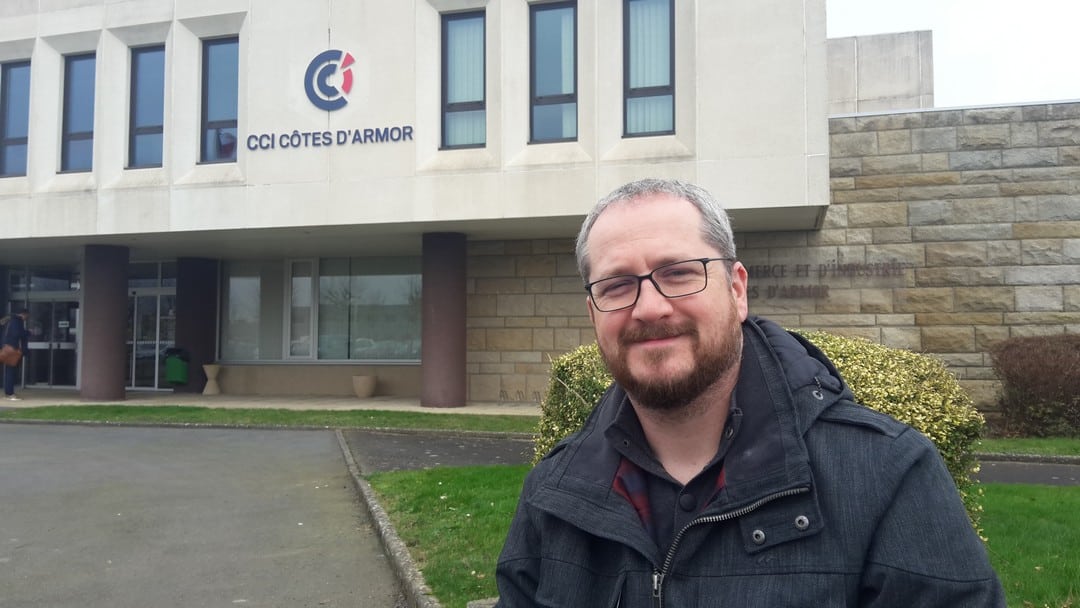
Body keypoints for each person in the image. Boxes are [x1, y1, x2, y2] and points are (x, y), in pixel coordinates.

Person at [495, 179, 1005, 607]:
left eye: (678, 273)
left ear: (736, 289)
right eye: (616, 285)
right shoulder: (552, 493)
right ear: (593, 314)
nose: (648, 308)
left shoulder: (887, 474)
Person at [3, 309, 30, 401]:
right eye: (27, 316)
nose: (26, 318)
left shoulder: (11, 320)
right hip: (12, 349)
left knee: (8, 371)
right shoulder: (17, 321)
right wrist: (28, 332)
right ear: (24, 314)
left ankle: (8, 392)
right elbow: (17, 334)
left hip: (7, 348)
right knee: (10, 372)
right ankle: (10, 394)